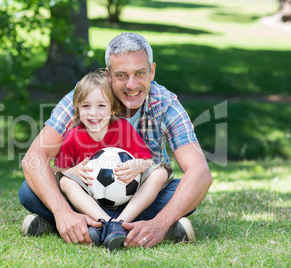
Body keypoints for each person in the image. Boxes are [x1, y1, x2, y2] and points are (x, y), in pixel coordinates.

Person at [19, 32, 213, 248]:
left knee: (181, 191)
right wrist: (62, 210)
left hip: (141, 199)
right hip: (86, 197)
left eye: (140, 73)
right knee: (29, 192)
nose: (131, 85)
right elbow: (34, 157)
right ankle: (89, 224)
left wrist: (160, 223)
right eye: (121, 75)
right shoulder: (86, 98)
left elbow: (200, 172)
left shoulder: (165, 104)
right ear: (109, 75)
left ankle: (93, 228)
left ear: (152, 71)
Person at [51, 70, 173, 250]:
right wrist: (73, 171)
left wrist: (137, 165)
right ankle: (108, 223)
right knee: (64, 184)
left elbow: (148, 162)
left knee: (161, 173)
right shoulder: (73, 137)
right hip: (89, 201)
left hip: (130, 200)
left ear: (113, 108)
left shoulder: (122, 128)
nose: (93, 113)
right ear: (77, 109)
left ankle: (116, 224)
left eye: (101, 105)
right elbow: (57, 172)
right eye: (86, 106)